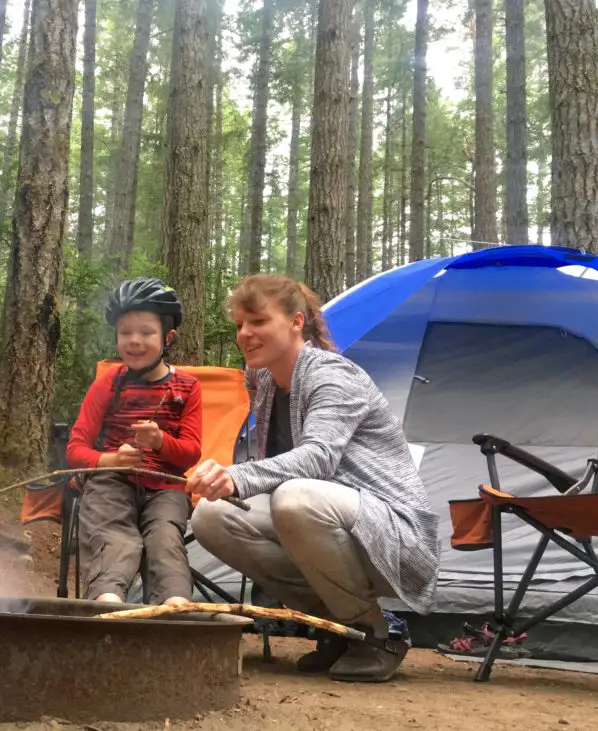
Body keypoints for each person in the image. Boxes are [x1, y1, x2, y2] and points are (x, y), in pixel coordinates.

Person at [185, 273, 439, 683]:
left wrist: (236, 476)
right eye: (239, 325)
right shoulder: (266, 380)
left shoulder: (332, 375)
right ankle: (337, 627)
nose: (245, 334)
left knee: (295, 497)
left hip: (394, 535)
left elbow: (319, 458)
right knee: (211, 516)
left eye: (258, 322)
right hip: (329, 524)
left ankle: (378, 632)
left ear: (296, 322)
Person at [66, 277, 203, 606]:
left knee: (165, 537)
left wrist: (159, 442)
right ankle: (107, 600)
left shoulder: (187, 387)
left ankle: (173, 607)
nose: (134, 341)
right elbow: (75, 449)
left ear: (167, 338)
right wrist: (111, 460)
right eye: (125, 332)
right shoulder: (108, 385)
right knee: (114, 535)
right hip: (111, 481)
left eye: (145, 332)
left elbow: (190, 454)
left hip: (166, 486)